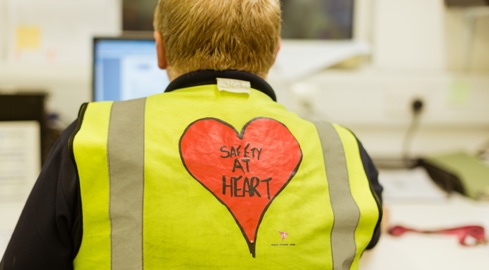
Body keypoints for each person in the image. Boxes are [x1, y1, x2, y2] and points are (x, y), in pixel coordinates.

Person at [0, 0, 383, 269]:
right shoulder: (342, 150)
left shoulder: (90, 139)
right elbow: (369, 233)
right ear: (274, 52)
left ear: (160, 49)